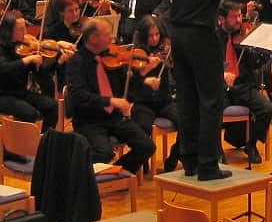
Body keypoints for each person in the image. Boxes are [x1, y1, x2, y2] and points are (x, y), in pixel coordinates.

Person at [167, 0, 258, 180]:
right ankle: (208, 165)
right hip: (200, 37)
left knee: (187, 99)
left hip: (178, 35)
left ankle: (190, 159)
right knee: (211, 99)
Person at [64, 18, 156, 175]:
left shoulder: (113, 58)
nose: (112, 38)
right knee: (103, 153)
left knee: (147, 146)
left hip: (114, 117)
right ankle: (76, 175)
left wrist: (142, 74)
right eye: (107, 34)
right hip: (89, 120)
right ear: (93, 38)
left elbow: (129, 90)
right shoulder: (76, 62)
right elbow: (79, 96)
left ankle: (117, 174)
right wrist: (110, 101)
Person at [219, 1, 272, 166]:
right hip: (221, 88)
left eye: (239, 15)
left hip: (243, 85)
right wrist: (221, 74)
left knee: (267, 109)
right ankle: (216, 149)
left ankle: (251, 144)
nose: (238, 20)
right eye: (233, 17)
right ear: (222, 19)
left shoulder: (246, 35)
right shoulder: (212, 37)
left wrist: (259, 51)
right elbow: (205, 64)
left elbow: (255, 65)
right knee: (211, 110)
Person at [128, 16, 179, 171]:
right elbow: (134, 81)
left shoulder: (164, 50)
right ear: (143, 36)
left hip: (164, 101)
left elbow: (175, 71)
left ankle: (174, 157)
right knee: (142, 127)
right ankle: (142, 165)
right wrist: (151, 65)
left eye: (157, 34)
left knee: (187, 123)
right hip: (143, 103)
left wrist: (170, 56)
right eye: (150, 36)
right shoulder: (137, 54)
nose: (155, 39)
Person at [0, 13, 62, 131]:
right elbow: (4, 69)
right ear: (8, 32)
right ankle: (17, 147)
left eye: (25, 28)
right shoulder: (2, 48)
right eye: (20, 29)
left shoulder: (24, 48)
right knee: (30, 113)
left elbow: (42, 74)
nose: (25, 33)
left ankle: (44, 142)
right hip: (3, 95)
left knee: (52, 106)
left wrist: (55, 61)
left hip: (20, 93)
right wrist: (26, 60)